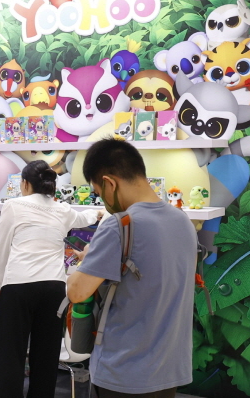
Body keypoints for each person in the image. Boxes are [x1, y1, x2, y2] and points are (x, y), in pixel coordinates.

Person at [67, 138, 197, 398]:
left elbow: (76, 292)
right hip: (169, 370)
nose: (103, 201)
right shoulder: (182, 221)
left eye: (99, 192)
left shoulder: (119, 224)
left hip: (123, 371)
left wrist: (86, 257)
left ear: (110, 183)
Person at [0, 160, 100, 397]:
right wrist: (100, 212)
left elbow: (2, 249)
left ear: (25, 184)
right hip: (54, 289)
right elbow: (86, 217)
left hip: (18, 287)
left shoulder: (14, 205)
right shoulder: (62, 209)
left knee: (12, 358)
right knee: (46, 359)